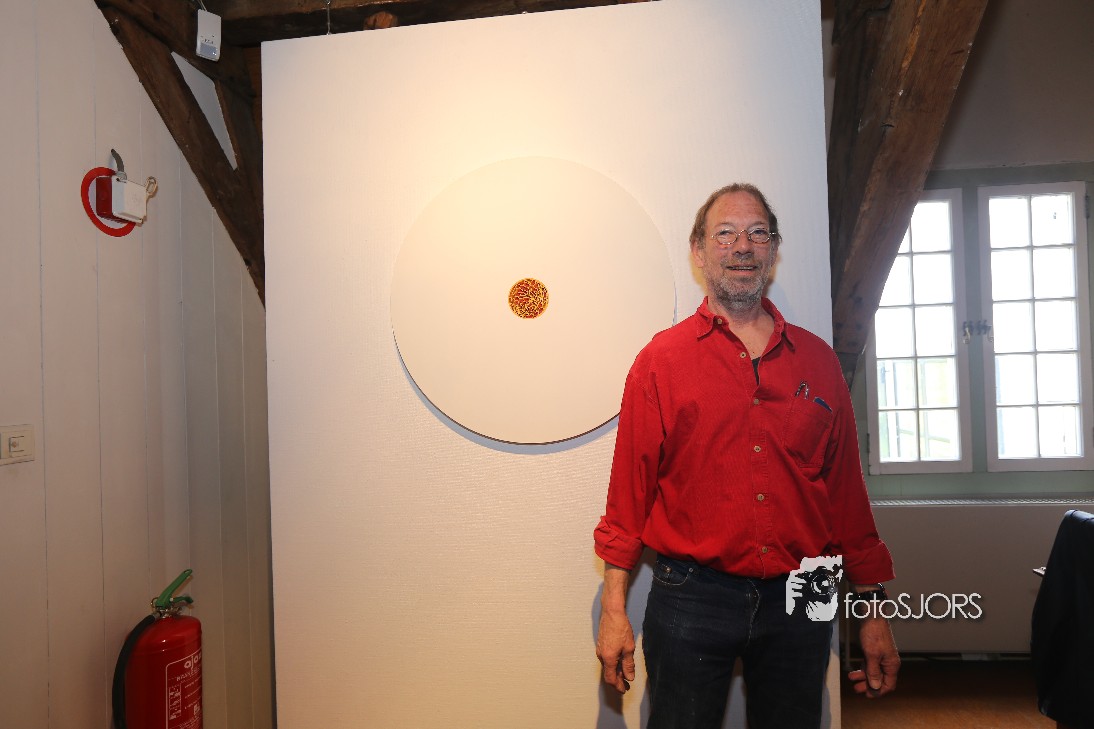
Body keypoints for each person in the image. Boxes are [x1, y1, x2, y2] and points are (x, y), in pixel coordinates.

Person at [593, 183, 899, 729]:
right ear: (698, 251)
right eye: (725, 234)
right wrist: (614, 610)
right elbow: (628, 497)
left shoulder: (819, 361)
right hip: (690, 596)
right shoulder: (660, 362)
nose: (742, 246)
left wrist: (873, 613)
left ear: (773, 251)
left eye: (758, 233)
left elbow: (847, 500)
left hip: (805, 593)